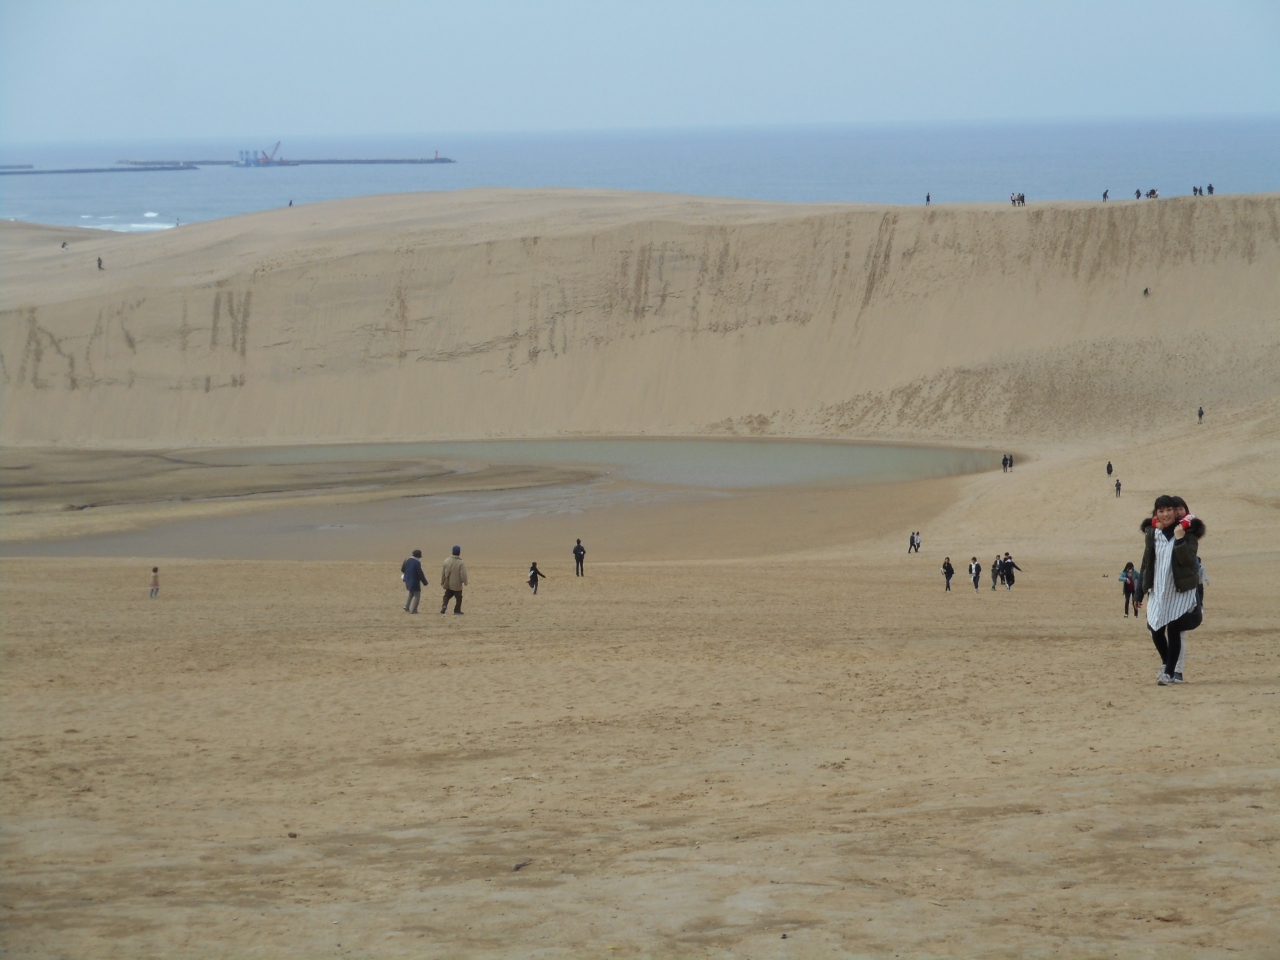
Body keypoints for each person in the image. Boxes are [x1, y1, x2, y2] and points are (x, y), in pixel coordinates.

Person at [1139, 495, 1205, 684]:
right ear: (1156, 514)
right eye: (1161, 511)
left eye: (1169, 510)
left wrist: (1179, 539)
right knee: (1154, 627)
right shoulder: (1153, 533)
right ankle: (1167, 662)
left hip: (1179, 590)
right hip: (1158, 589)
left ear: (1176, 512)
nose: (1166, 514)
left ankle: (1170, 673)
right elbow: (1146, 563)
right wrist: (1139, 591)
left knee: (1174, 628)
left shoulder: (1189, 534)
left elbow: (1188, 560)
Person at [440, 545, 468, 614]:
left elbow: (443, 572)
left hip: (448, 582)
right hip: (457, 583)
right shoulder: (461, 562)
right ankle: (457, 610)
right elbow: (463, 573)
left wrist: (442, 581)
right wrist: (465, 582)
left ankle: (444, 605)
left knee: (447, 595)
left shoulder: (446, 560)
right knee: (458, 597)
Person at [400, 549, 427, 613]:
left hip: (407, 580)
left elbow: (402, 569)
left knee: (411, 593)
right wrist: (424, 582)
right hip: (414, 581)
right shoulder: (417, 562)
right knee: (417, 595)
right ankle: (414, 610)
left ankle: (406, 606)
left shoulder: (408, 560)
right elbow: (420, 573)